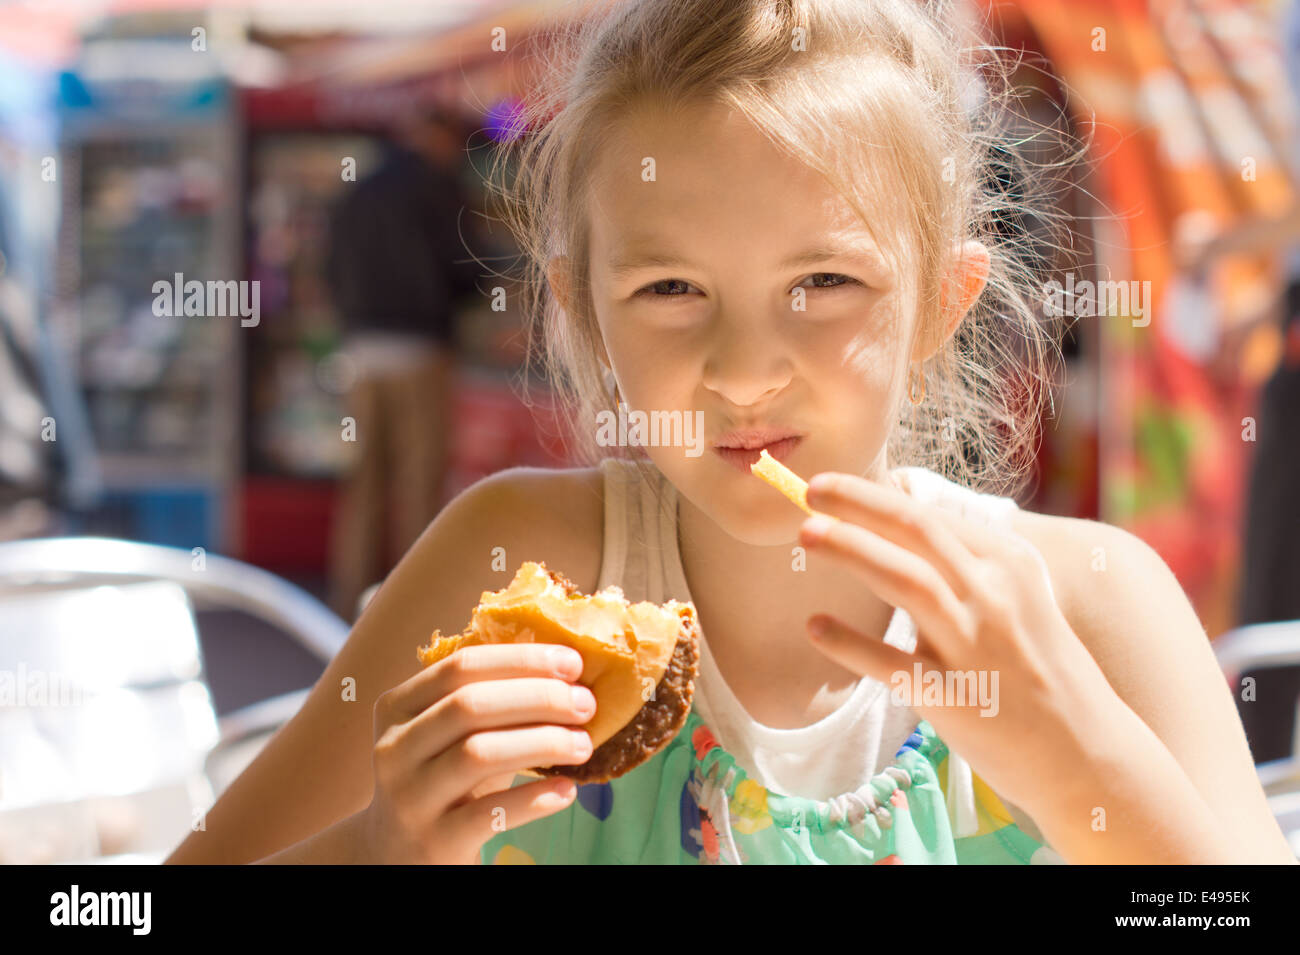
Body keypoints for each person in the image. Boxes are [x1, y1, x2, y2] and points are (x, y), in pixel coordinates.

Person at [167, 0, 1295, 864]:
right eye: (669, 289)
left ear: (942, 304)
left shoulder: (1091, 606)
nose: (746, 367)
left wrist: (1082, 756)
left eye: (824, 280)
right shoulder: (510, 560)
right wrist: (376, 846)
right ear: (585, 312)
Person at [323, 104, 481, 620]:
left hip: (362, 354)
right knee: (419, 483)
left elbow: (326, 268)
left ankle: (349, 604)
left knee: (363, 484)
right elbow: (467, 270)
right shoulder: (440, 188)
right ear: (438, 135)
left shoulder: (360, 189)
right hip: (420, 351)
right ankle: (411, 609)